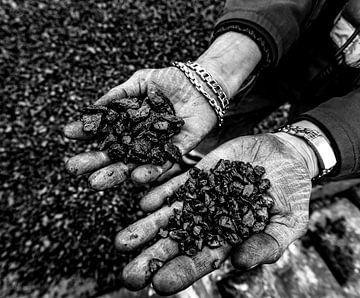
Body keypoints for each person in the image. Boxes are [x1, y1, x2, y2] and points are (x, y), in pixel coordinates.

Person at [64, 0, 360, 295]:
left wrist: (314, 147)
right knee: (227, 110)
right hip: (297, 37)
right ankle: (194, 154)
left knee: (306, 141)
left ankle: (196, 157)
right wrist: (223, 64)